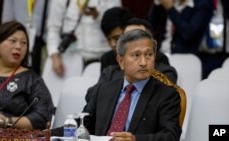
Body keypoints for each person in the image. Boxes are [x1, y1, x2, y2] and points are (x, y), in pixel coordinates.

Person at [52, 29, 181, 141]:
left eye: (149, 55)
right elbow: (81, 125)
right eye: (136, 55)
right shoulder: (103, 90)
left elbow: (171, 135)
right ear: (121, 61)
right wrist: (46, 134)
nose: (143, 62)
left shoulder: (167, 95)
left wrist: (136, 139)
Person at [0, 21, 54, 130]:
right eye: (12, 41)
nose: (18, 46)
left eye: (24, 43)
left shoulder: (32, 80)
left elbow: (43, 116)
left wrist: (7, 121)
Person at [99, 11, 177, 86]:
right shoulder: (108, 65)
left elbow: (166, 90)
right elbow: (96, 94)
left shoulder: (160, 61)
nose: (113, 44)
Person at [46, 0, 121, 77]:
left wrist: (98, 15)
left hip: (102, 58)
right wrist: (55, 57)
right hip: (71, 60)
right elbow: (53, 28)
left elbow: (119, 24)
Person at [148, 0, 214, 78]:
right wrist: (157, 3)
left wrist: (171, 9)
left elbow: (189, 33)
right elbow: (150, 27)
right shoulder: (170, 2)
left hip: (186, 59)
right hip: (161, 55)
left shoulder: (202, 5)